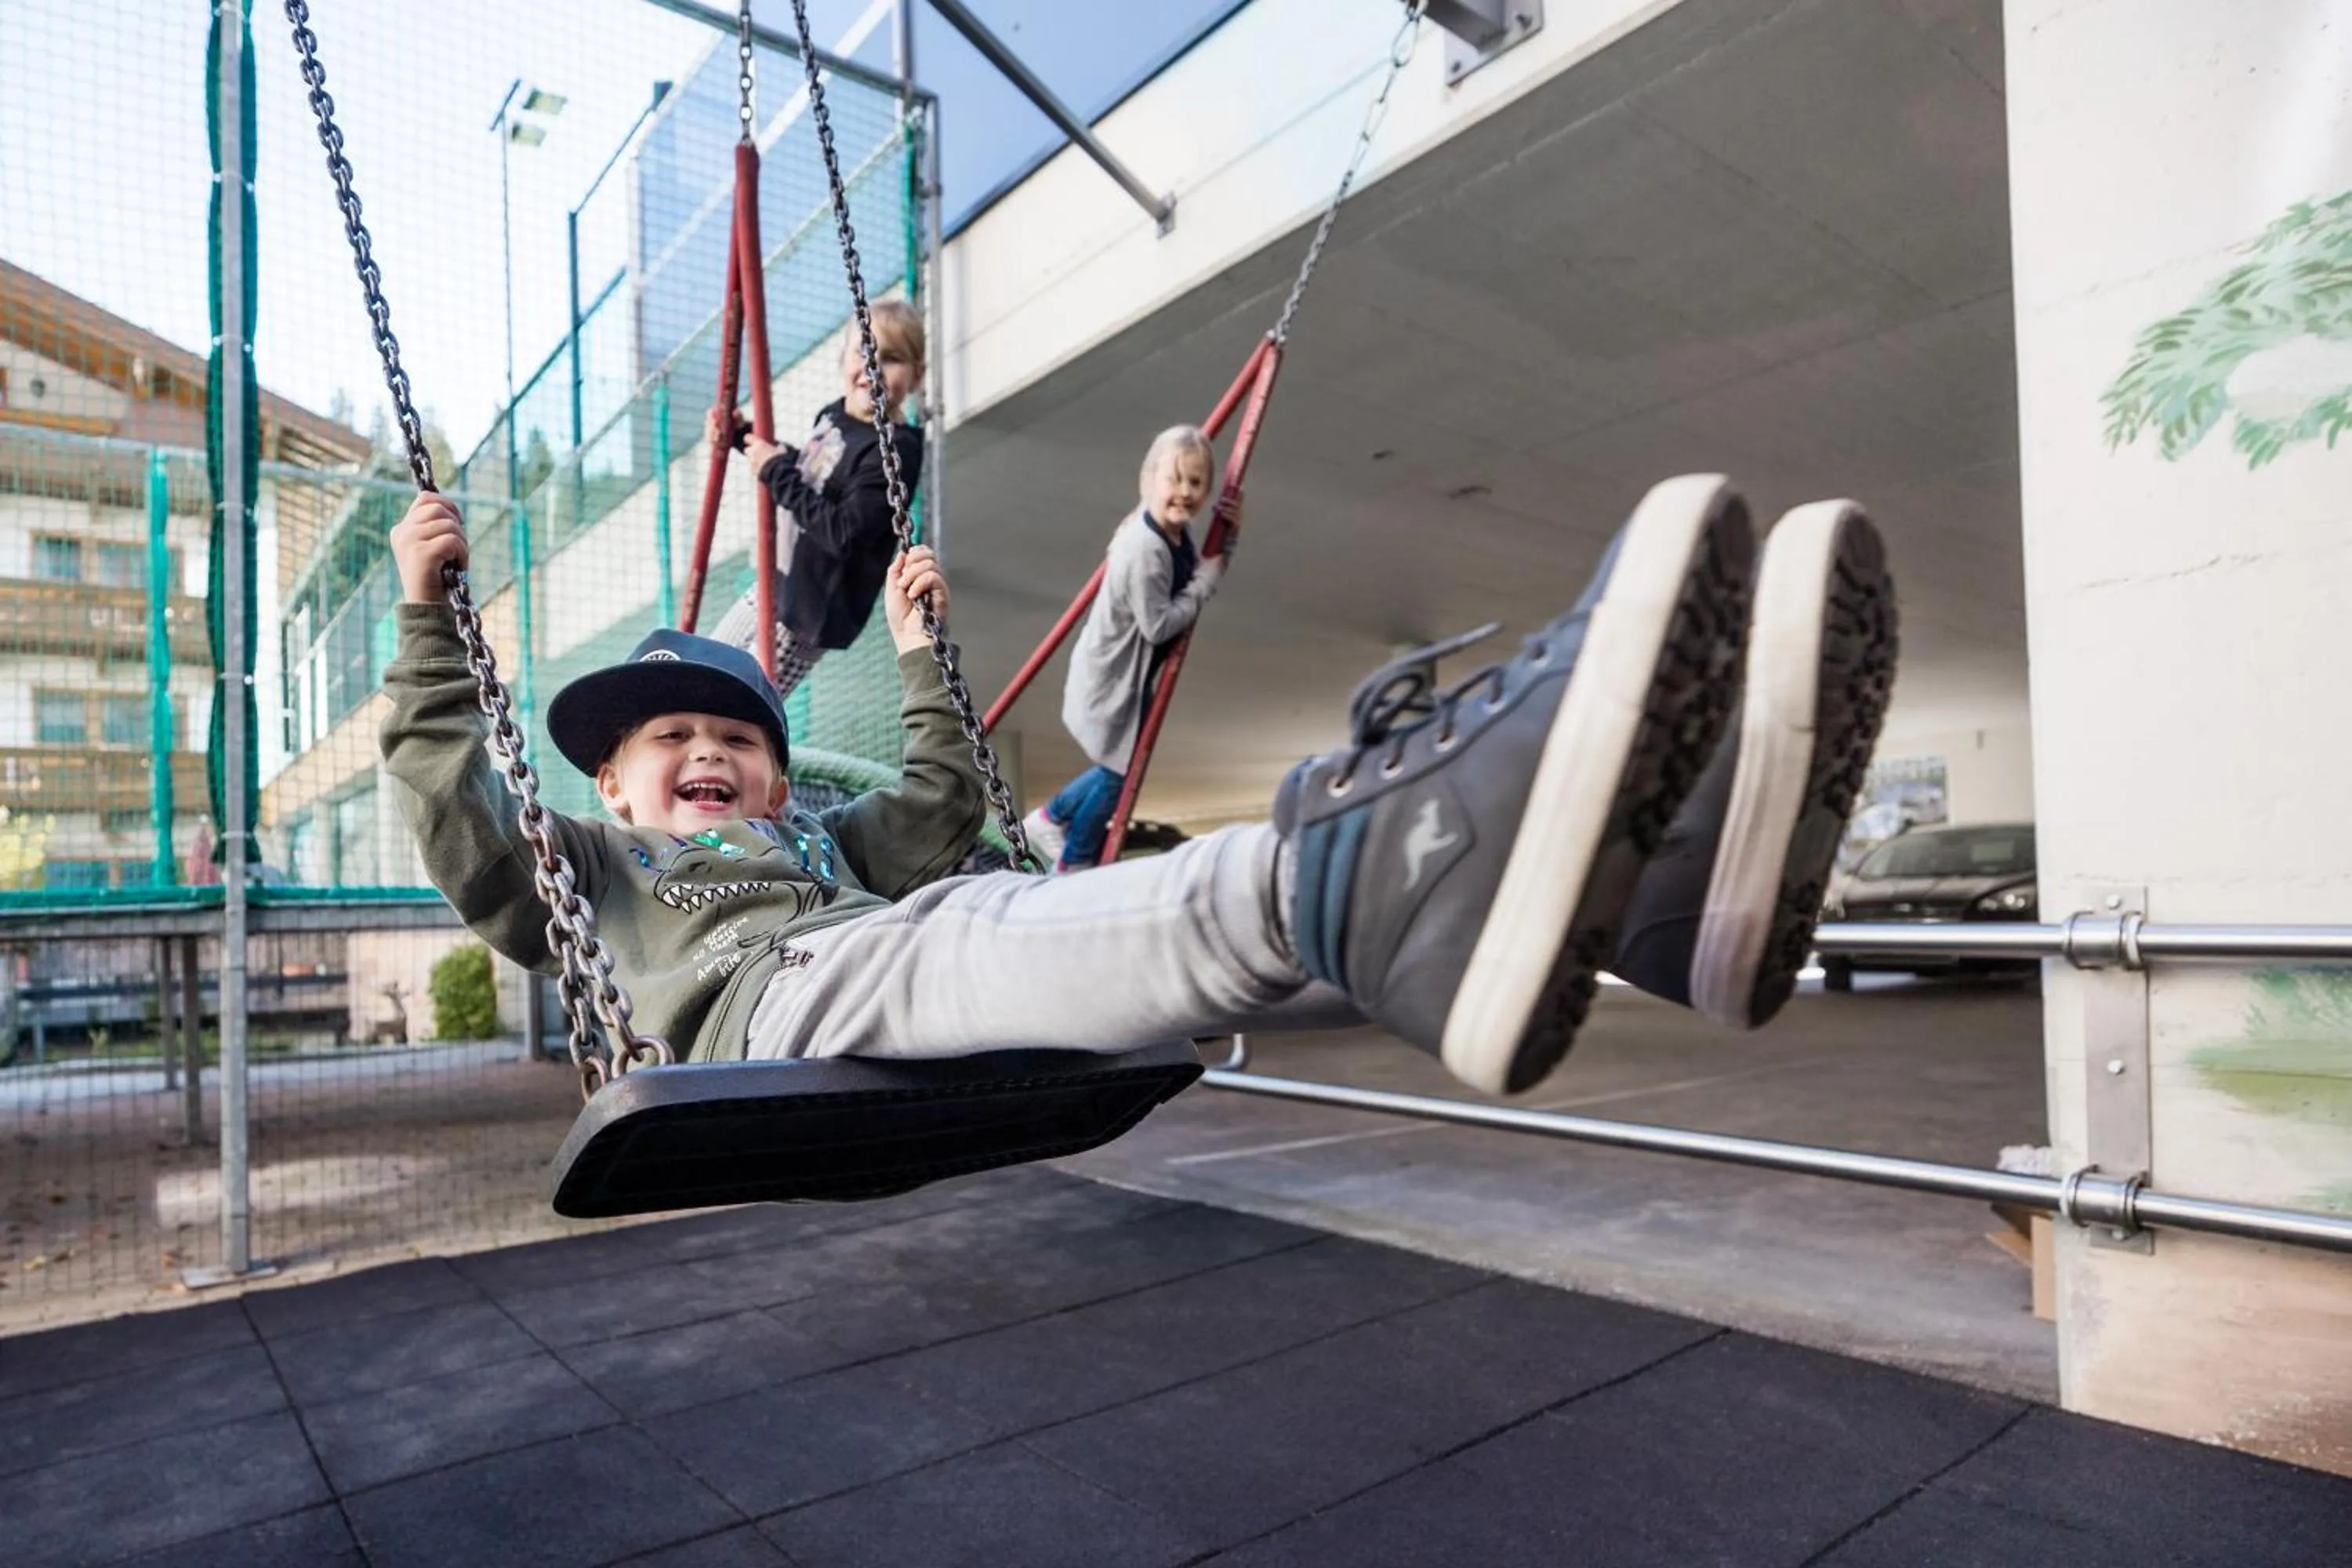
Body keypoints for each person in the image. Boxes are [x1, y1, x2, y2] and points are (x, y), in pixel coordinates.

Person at [380, 473, 1895, 1097]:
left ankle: (1654, 912)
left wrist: (923, 649)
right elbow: (462, 816)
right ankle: (1393, 841)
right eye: (671, 743)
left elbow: (944, 795)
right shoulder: (596, 870)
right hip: (775, 1018)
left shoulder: (832, 843)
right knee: (980, 923)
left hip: (890, 959)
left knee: (1166, 920)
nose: (711, 753)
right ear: (615, 789)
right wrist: (426, 632)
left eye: (741, 740)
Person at [1022, 425, 1229, 873]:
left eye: (1196, 482)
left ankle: (1050, 816)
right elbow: (1158, 627)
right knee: (1120, 775)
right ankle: (1074, 860)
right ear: (1151, 478)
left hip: (1128, 676)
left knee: (1120, 766)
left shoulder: (1176, 532)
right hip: (1112, 675)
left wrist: (1226, 529)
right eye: (1174, 479)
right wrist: (1204, 584)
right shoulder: (1146, 548)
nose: (1185, 492)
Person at [703, 298, 927, 699]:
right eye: (863, 351)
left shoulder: (893, 450)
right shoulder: (835, 414)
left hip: (809, 611)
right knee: (704, 666)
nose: (872, 366)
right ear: (843, 359)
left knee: (740, 700)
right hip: (778, 584)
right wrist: (747, 439)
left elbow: (845, 533)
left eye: (891, 358)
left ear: (916, 377)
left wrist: (775, 472)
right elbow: (809, 475)